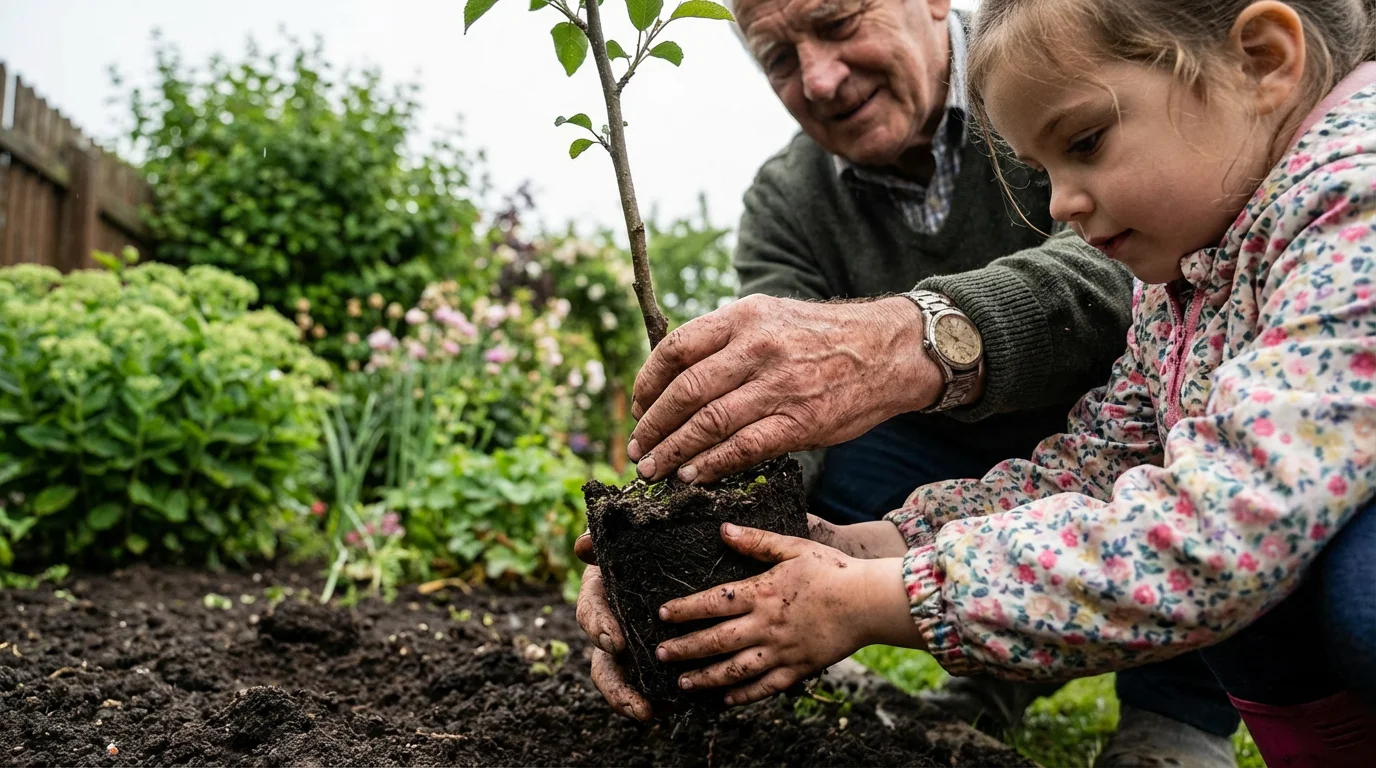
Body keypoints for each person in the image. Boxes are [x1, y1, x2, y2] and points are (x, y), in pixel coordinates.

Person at [642, 0, 1376, 765]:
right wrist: (854, 548)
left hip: (1249, 536)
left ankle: (1178, 717)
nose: (1059, 203)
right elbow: (1101, 471)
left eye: (1086, 143)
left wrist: (870, 601)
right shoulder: (1188, 275)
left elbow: (1221, 527)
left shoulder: (1355, 200)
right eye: (1041, 172)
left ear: (1261, 58)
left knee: (1361, 586)